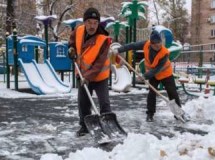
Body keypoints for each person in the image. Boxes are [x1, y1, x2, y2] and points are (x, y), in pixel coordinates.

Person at [113, 30, 187, 122]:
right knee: (151, 94)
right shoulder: (146, 44)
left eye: (159, 43)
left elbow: (157, 69)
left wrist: (145, 76)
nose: (158, 46)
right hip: (153, 75)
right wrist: (119, 50)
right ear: (151, 44)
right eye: (156, 44)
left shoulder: (164, 52)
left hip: (165, 74)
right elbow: (132, 46)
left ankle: (178, 114)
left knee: (172, 94)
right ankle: (150, 114)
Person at [68, 7, 112, 136]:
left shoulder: (103, 40)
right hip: (82, 74)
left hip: (99, 76)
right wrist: (71, 49)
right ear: (84, 22)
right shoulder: (78, 30)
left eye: (95, 23)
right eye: (89, 22)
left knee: (104, 102)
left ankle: (108, 126)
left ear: (98, 23)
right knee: (83, 102)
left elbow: (99, 64)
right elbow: (72, 41)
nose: (92, 26)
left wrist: (87, 76)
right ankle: (84, 126)